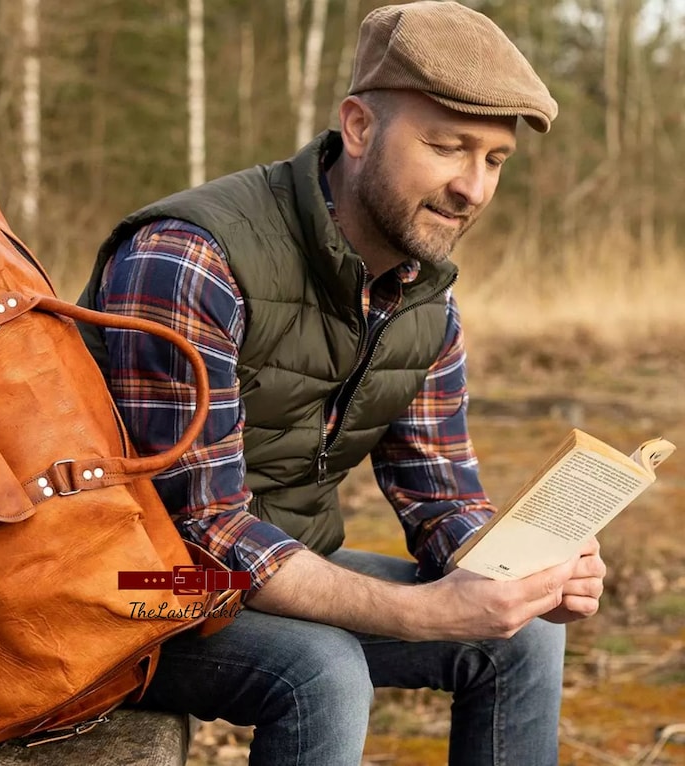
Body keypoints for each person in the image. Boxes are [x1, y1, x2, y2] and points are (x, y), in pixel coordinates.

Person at [77, 2, 607, 764]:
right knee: (322, 670)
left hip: (276, 566)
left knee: (519, 641)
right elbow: (209, 535)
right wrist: (424, 613)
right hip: (130, 585)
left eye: (495, 160)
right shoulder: (191, 260)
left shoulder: (426, 296)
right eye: (447, 147)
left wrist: (519, 570)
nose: (473, 189)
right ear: (358, 128)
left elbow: (441, 496)